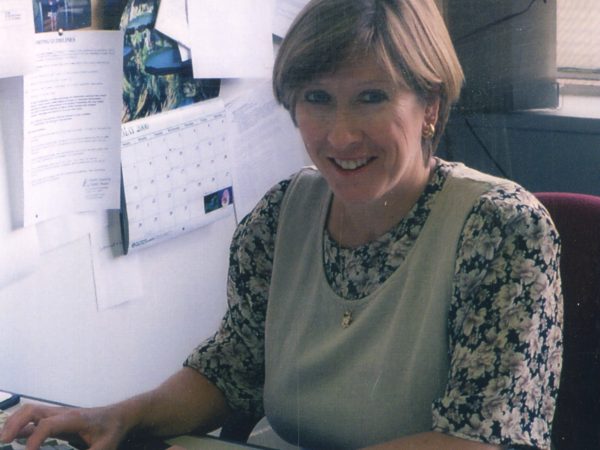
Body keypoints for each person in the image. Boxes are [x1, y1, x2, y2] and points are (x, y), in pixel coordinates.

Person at [1, 0, 562, 449]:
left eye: (372, 98)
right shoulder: (281, 214)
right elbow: (230, 371)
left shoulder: (501, 230)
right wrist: (115, 416)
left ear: (430, 104)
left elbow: (482, 439)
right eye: (317, 99)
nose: (340, 136)